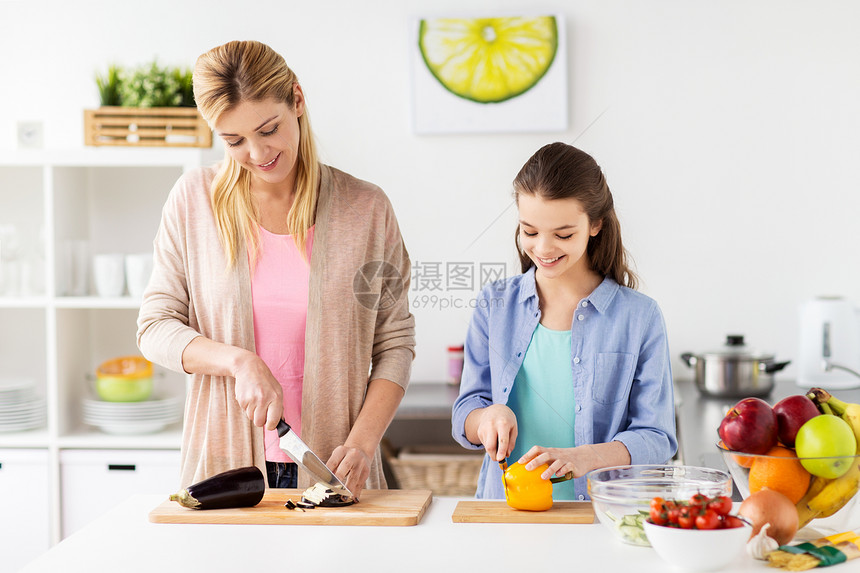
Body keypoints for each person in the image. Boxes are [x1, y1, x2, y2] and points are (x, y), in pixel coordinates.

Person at [137, 40, 415, 498]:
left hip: (337, 472)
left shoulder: (365, 209)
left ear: (297, 100)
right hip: (225, 470)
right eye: (234, 141)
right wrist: (238, 361)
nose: (257, 152)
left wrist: (363, 443)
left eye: (269, 129)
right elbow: (154, 328)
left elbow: (395, 344)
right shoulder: (193, 201)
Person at [451, 142, 676, 501]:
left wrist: (585, 458)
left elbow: (657, 437)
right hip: (506, 513)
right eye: (530, 231)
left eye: (563, 234)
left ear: (596, 224)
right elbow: (466, 410)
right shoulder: (494, 304)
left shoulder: (640, 317)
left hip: (601, 518)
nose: (543, 248)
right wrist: (487, 417)